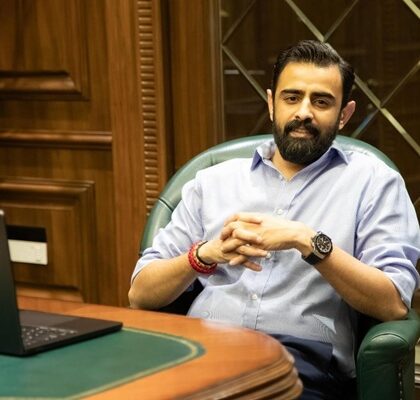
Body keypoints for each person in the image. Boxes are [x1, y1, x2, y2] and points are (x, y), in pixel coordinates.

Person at [129, 40, 420, 399]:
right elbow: (140, 294)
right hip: (202, 352)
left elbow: (393, 303)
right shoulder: (213, 181)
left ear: (344, 114)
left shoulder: (373, 182)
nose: (304, 112)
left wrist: (307, 241)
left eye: (321, 101)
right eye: (292, 97)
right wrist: (203, 255)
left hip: (301, 363)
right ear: (271, 103)